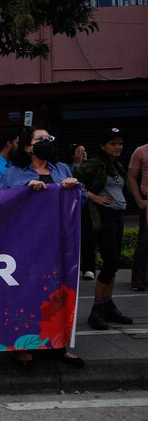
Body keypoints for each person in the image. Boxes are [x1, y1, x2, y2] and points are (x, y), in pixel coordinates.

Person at [0, 127, 84, 368]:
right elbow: (3, 204)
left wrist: (74, 189)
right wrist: (27, 189)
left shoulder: (62, 170)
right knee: (27, 293)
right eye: (40, 139)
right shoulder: (14, 173)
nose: (46, 142)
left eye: (49, 138)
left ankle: (58, 345)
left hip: (59, 242)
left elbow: (82, 200)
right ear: (28, 147)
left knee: (58, 293)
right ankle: (25, 348)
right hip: (26, 244)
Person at [74, 128, 134, 330]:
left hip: (117, 217)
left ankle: (108, 305)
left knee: (114, 263)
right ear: (102, 146)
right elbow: (74, 180)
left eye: (120, 143)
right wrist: (94, 197)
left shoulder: (116, 166)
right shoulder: (94, 164)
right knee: (110, 263)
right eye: (113, 143)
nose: (118, 147)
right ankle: (96, 310)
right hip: (102, 218)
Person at [127, 139, 148, 292]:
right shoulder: (141, 151)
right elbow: (131, 176)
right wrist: (140, 201)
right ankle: (138, 278)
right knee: (145, 240)